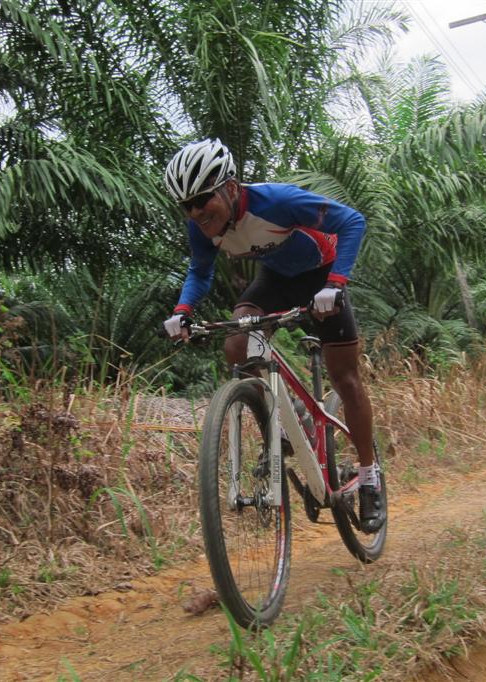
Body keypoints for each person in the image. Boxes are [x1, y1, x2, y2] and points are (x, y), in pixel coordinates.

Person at [161, 138, 384, 533]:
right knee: (237, 344)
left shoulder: (277, 202)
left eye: (202, 199)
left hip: (321, 277)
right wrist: (182, 311)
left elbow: (352, 221)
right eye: (186, 206)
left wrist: (335, 284)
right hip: (276, 281)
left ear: (231, 188)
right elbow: (200, 271)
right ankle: (290, 419)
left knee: (346, 380)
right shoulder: (201, 228)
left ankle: (369, 478)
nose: (196, 212)